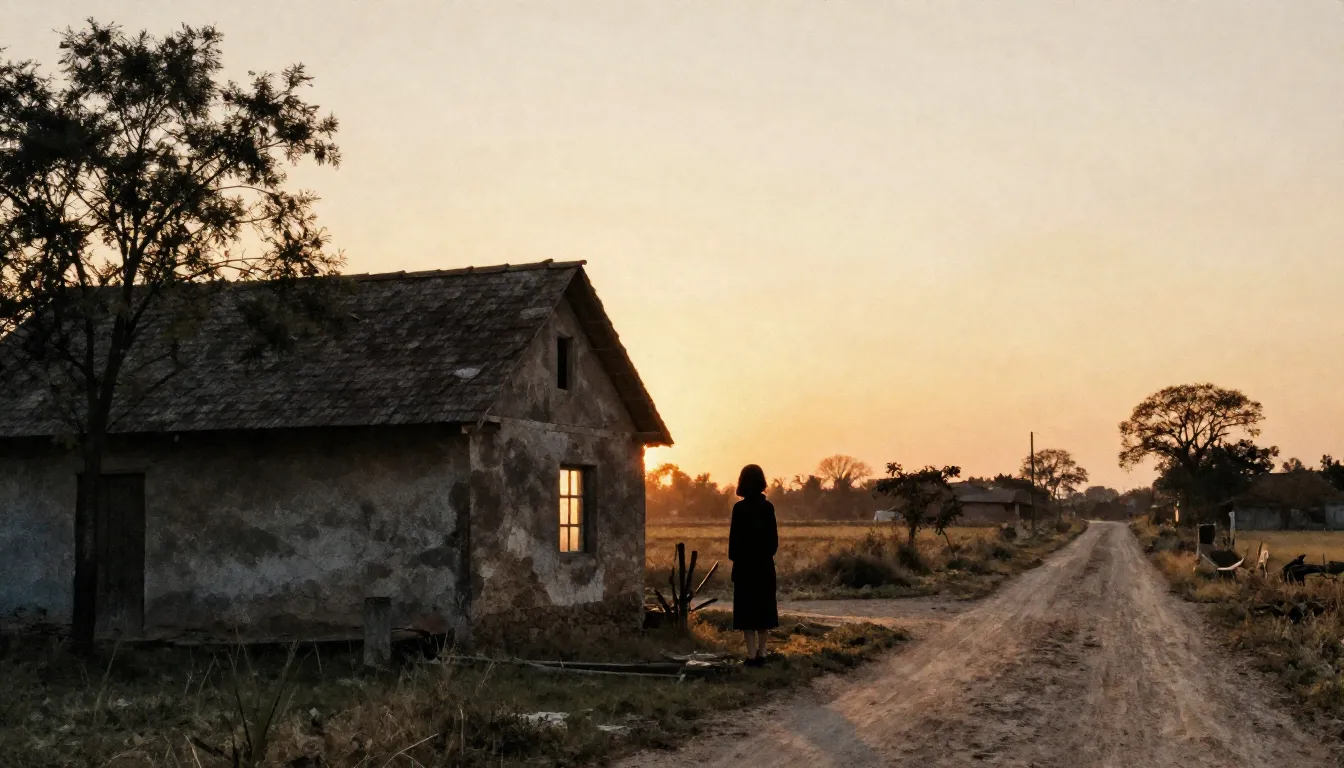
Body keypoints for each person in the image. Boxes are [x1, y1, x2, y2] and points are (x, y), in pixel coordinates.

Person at [728, 463, 779, 666]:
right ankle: (763, 652)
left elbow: (733, 544)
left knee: (746, 612)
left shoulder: (738, 509)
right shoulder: (768, 508)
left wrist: (739, 560)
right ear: (761, 482)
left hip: (744, 568)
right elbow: (773, 543)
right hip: (764, 568)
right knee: (764, 610)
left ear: (742, 483)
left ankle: (750, 655)